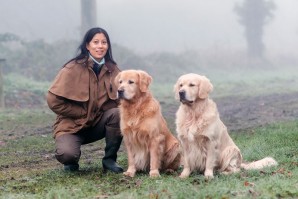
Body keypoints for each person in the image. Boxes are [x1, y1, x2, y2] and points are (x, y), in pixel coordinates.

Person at [46, 27, 123, 173]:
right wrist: (80, 113)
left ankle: (109, 160)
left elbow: (124, 97)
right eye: (96, 42)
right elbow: (52, 100)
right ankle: (71, 160)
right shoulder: (71, 68)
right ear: (87, 45)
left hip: (98, 124)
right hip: (71, 126)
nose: (100, 46)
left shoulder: (114, 70)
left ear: (108, 46)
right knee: (67, 154)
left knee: (118, 114)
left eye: (104, 42)